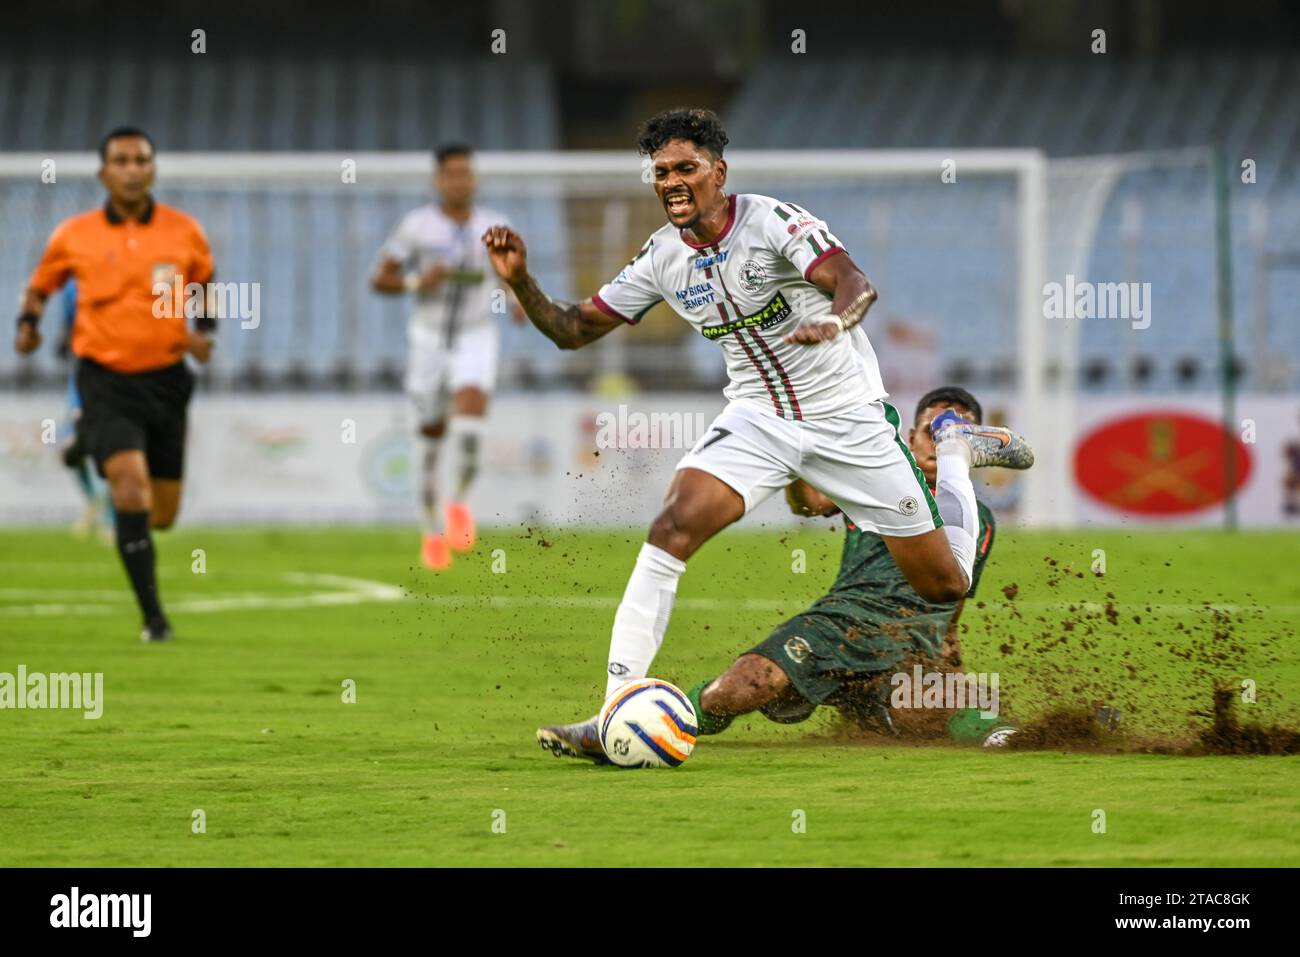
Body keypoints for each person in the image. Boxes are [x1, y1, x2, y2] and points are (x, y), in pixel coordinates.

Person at [480, 108, 1032, 759]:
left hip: (849, 420)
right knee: (671, 528)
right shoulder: (662, 258)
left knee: (945, 584)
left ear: (719, 171)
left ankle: (959, 460)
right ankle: (612, 713)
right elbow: (574, 329)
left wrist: (835, 322)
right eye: (661, 172)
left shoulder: (773, 222)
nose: (673, 182)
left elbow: (855, 283)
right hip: (757, 419)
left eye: (686, 168)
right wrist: (521, 282)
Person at [15, 127, 215, 642]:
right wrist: (27, 326)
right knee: (130, 488)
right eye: (121, 160)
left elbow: (207, 288)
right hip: (104, 378)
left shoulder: (184, 232)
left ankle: (87, 445)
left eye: (141, 160)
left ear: (153, 169)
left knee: (163, 515)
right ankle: (154, 620)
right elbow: (39, 288)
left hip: (168, 380)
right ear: (104, 172)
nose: (132, 169)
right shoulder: (74, 235)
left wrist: (204, 331)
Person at [371, 144, 517, 570]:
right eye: (452, 173)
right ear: (439, 179)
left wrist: (518, 301)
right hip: (428, 341)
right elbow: (382, 278)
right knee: (430, 442)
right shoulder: (417, 226)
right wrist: (418, 282)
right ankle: (430, 530)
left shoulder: (495, 225)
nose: (460, 181)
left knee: (471, 427)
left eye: (466, 173)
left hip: (476, 336)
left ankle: (458, 504)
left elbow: (511, 275)